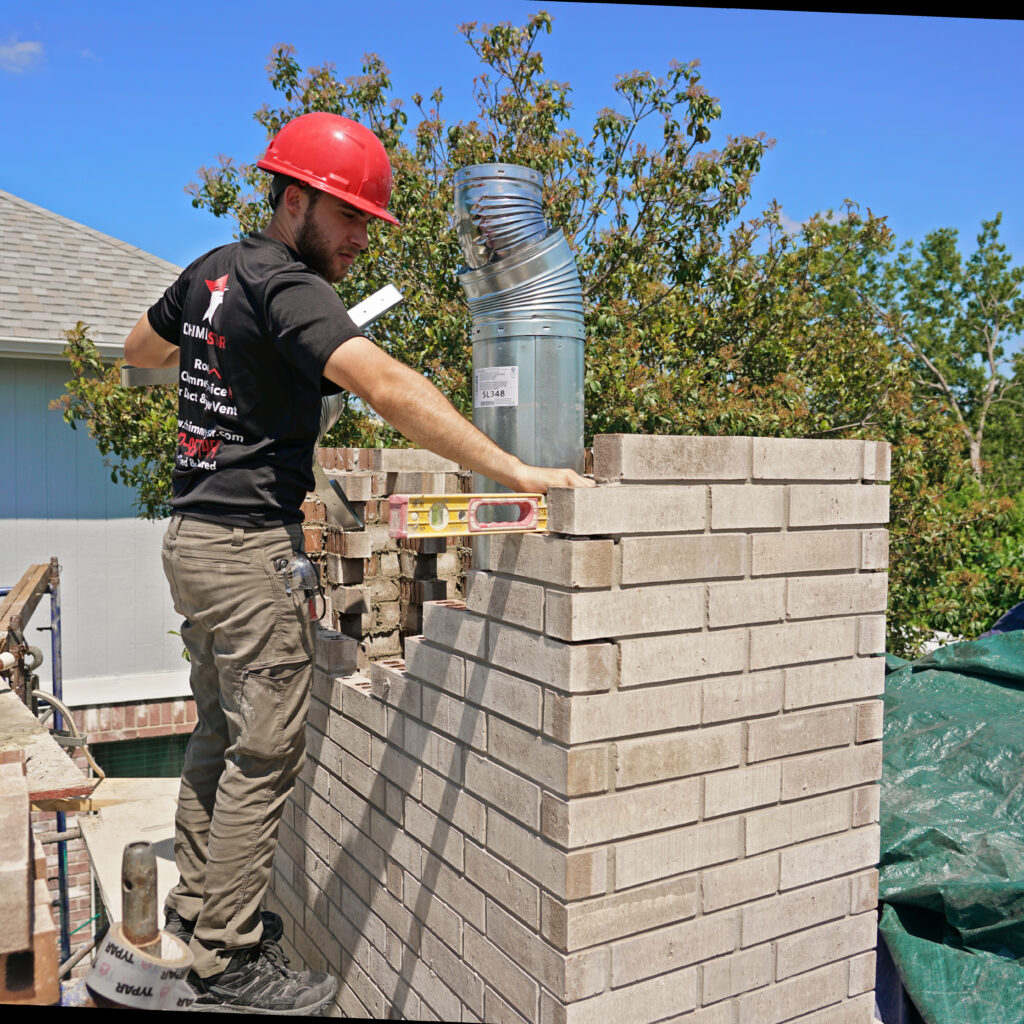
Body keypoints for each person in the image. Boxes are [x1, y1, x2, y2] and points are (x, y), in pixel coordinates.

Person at [123, 111, 593, 1015]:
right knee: (268, 748)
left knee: (221, 729)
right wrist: (516, 469)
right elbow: (386, 385)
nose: (355, 240)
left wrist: (232, 378)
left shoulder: (213, 272)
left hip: (189, 537)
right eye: (345, 218)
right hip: (244, 547)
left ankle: (194, 907)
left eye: (364, 225)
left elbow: (141, 354)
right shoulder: (292, 288)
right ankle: (228, 962)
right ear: (292, 197)